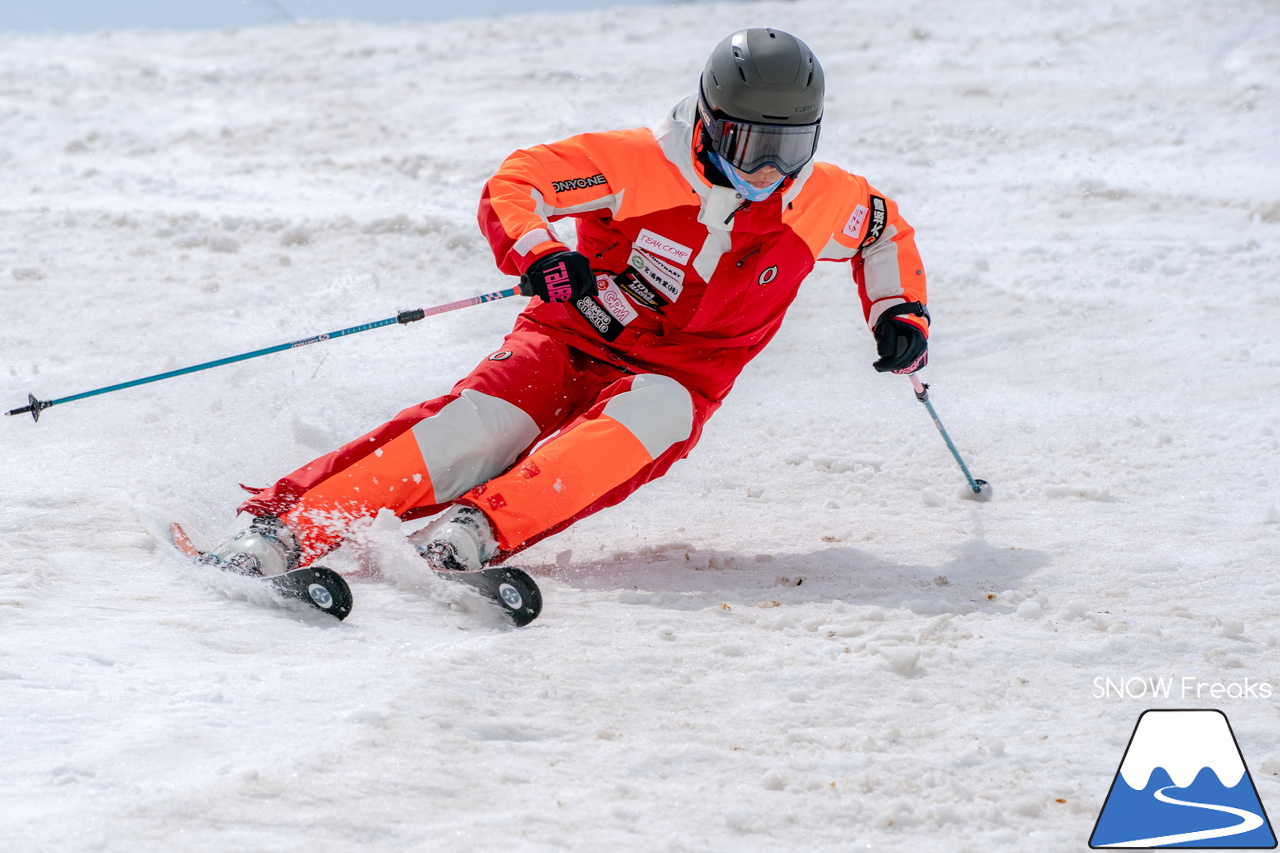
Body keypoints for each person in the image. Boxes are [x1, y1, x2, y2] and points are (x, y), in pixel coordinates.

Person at [208, 27, 930, 585]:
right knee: (483, 427)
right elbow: (517, 183)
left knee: (643, 426)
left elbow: (883, 232)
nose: (767, 169)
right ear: (711, 122)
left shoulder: (822, 196)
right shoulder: (637, 162)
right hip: (567, 338)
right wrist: (541, 252)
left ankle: (474, 534)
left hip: (680, 374)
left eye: (789, 146)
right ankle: (285, 529)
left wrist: (900, 313)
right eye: (749, 144)